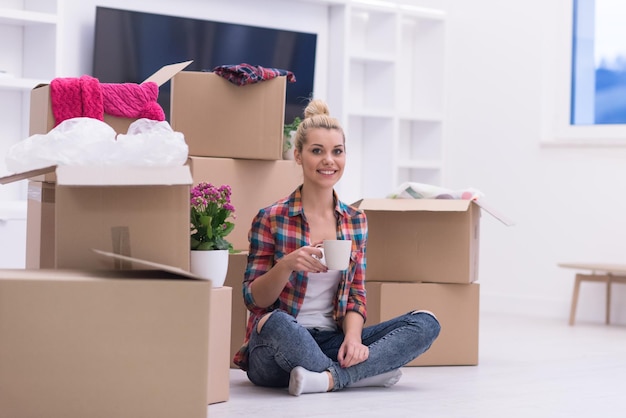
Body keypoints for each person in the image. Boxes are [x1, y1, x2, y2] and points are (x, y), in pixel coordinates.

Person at [233, 98, 441, 396]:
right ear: (298, 156)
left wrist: (354, 340)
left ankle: (327, 379)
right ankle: (361, 375)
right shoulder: (272, 218)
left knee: (425, 323)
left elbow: (356, 294)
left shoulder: (356, 221)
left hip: (332, 340)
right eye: (317, 151)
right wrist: (287, 265)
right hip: (276, 350)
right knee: (275, 322)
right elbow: (253, 300)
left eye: (337, 152)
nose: (329, 160)